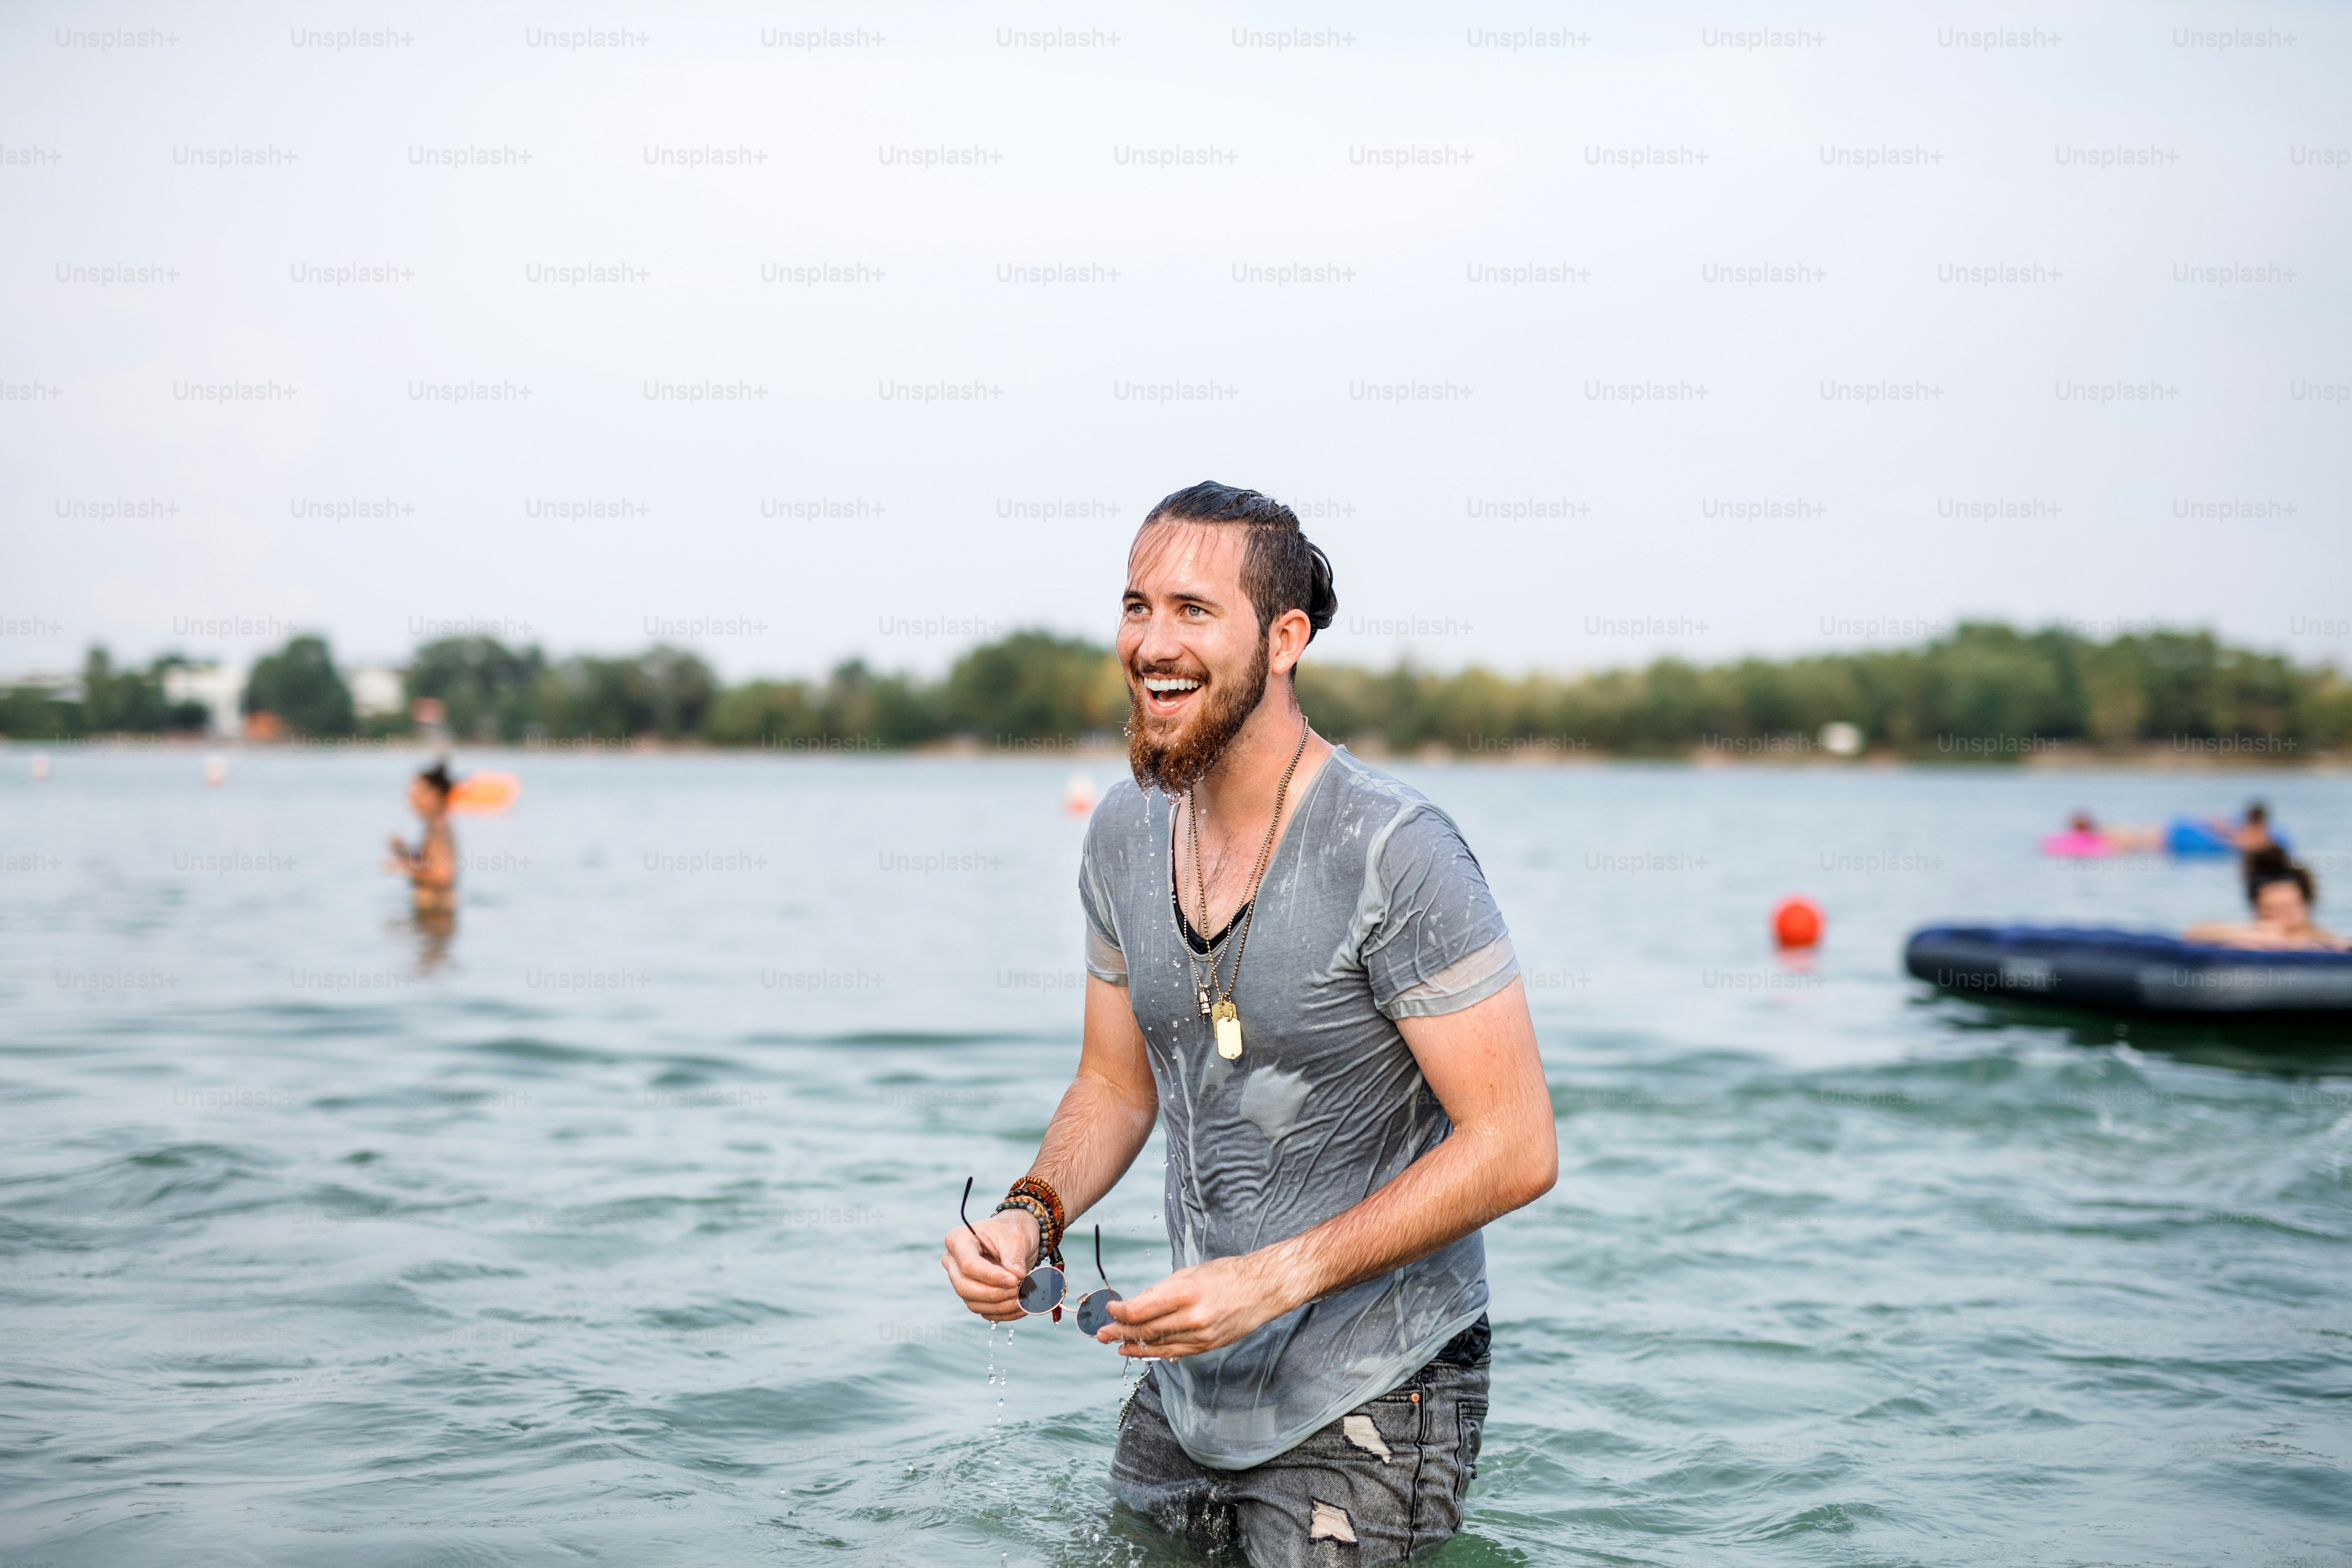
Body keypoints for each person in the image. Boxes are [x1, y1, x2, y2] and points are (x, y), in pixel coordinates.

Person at [939, 483, 1557, 1566]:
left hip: (1378, 1389)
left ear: (1284, 639)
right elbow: (1116, 1086)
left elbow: (1516, 1144)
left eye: (1191, 610)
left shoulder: (1396, 849)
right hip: (1185, 1381)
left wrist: (1272, 1278)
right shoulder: (1123, 834)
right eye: (1136, 607)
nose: (1152, 643)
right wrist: (1028, 1218)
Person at [2185, 855, 2347, 951]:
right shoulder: (2252, 934)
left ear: (2306, 905)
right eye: (2271, 911)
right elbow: (2195, 932)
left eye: (2288, 910)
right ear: (2257, 910)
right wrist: (2257, 936)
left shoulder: (2323, 939)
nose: (2281, 918)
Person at [386, 762, 458, 917]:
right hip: (431, 921)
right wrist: (403, 851)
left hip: (436, 923)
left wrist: (403, 865)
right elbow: (430, 863)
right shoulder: (436, 825)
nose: (412, 802)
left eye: (417, 795)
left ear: (435, 795)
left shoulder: (439, 828)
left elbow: (441, 878)